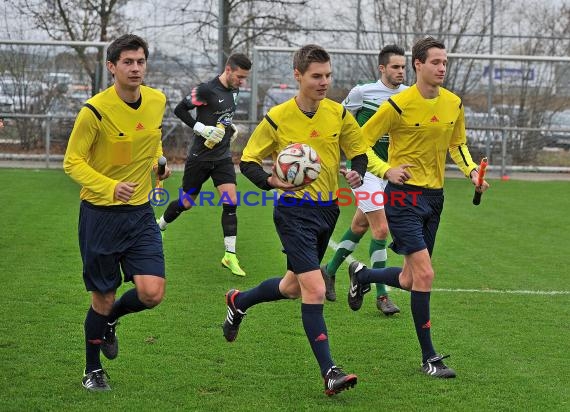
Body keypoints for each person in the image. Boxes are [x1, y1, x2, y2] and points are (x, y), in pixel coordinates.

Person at [222, 44, 369, 395]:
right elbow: (249, 160)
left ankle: (238, 302)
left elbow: (359, 150)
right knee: (315, 287)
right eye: (317, 76)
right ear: (298, 76)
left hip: (328, 209)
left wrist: (357, 173)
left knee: (291, 287)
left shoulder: (338, 114)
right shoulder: (278, 116)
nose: (324, 82)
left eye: (328, 76)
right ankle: (330, 370)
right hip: (293, 212)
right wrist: (272, 181)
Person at [346, 36, 489, 378]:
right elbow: (360, 142)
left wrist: (472, 172)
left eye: (445, 62)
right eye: (436, 62)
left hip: (434, 199)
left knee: (412, 279)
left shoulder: (453, 103)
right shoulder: (398, 104)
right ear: (418, 65)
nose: (442, 68)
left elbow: (459, 145)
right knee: (425, 274)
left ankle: (362, 275)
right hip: (403, 197)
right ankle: (430, 358)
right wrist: (384, 170)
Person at [63, 34, 171, 391]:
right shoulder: (93, 111)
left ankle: (111, 321)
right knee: (102, 297)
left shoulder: (157, 100)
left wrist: (158, 161)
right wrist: (108, 186)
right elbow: (72, 162)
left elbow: (151, 137)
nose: (135, 68)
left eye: (140, 61)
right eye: (127, 62)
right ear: (112, 67)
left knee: (152, 292)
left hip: (139, 214)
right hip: (101, 216)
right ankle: (91, 369)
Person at [321, 45, 408, 315]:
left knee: (360, 225)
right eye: (395, 67)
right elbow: (340, 126)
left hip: (391, 172)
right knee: (380, 230)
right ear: (382, 68)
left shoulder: (409, 96)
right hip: (366, 171)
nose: (401, 72)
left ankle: (330, 269)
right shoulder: (362, 92)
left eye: (403, 67)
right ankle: (382, 295)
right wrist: (337, 161)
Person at [156, 53, 252, 277]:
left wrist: (231, 128)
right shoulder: (206, 90)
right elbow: (179, 109)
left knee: (231, 202)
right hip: (199, 158)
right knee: (186, 203)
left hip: (222, 158)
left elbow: (223, 116)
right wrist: (200, 128)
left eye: (245, 78)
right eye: (239, 77)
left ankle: (230, 255)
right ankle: (159, 225)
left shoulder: (235, 91)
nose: (242, 82)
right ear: (228, 70)